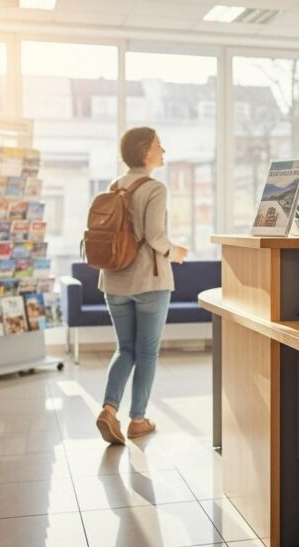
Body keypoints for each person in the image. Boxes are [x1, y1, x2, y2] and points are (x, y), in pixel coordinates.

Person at [96, 127, 189, 445]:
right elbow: (154, 237)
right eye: (159, 146)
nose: (164, 151)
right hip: (149, 281)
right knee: (147, 351)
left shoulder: (114, 185)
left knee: (125, 348)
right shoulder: (155, 188)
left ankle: (109, 409)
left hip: (113, 280)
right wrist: (177, 253)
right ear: (145, 153)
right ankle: (137, 419)